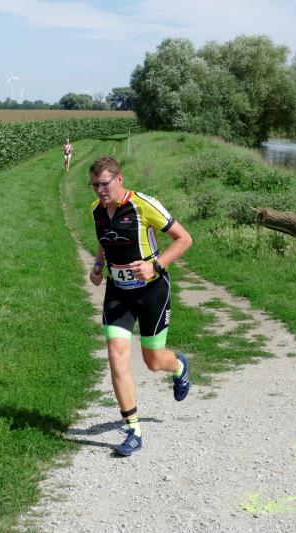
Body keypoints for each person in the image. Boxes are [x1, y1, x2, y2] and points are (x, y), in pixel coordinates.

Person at [87, 156, 193, 456]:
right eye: (94, 186)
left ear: (119, 179)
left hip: (152, 290)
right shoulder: (96, 210)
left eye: (104, 184)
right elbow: (105, 239)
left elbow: (184, 239)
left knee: (153, 361)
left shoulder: (144, 204)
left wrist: (155, 266)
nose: (99, 191)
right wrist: (98, 265)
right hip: (118, 292)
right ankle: (133, 430)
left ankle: (179, 366)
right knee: (116, 355)